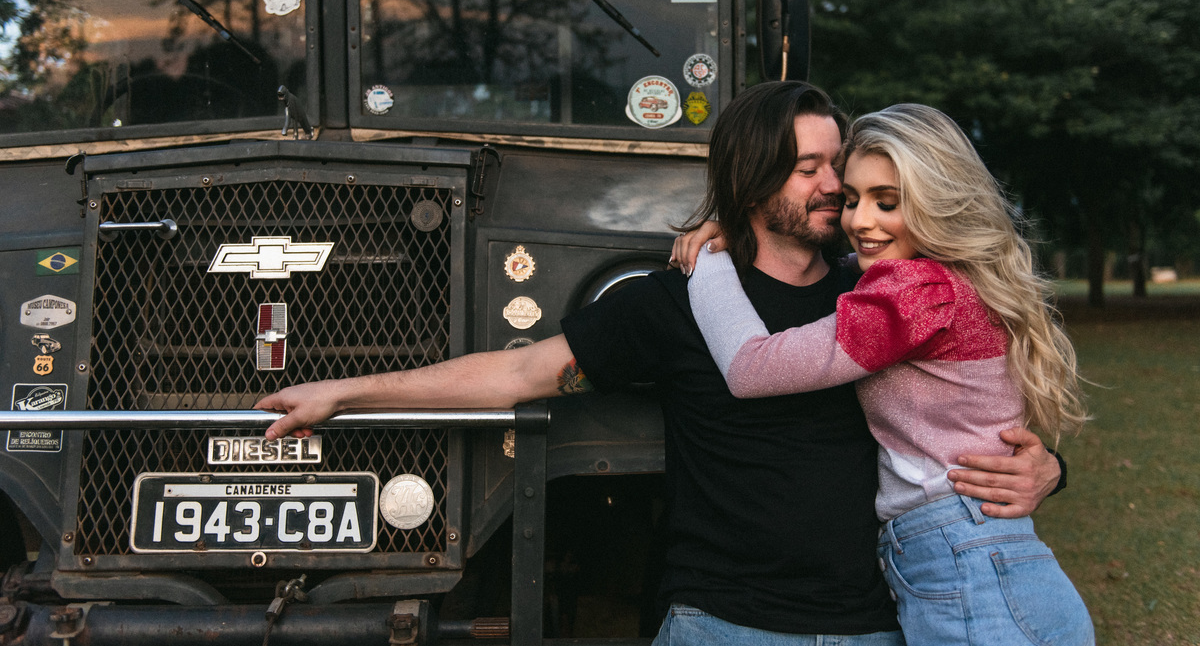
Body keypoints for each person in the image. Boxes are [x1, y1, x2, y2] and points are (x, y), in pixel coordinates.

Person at [256, 82, 1064, 645]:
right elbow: (518, 373)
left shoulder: (875, 288)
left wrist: (1050, 468)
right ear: (751, 179)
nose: (835, 189)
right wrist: (347, 391)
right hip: (726, 622)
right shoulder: (671, 302)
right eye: (810, 169)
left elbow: (978, 396)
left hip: (878, 621)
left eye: (840, 168)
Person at [683, 103, 1092, 645]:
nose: (858, 221)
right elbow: (852, 271)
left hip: (965, 566)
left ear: (936, 201)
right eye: (852, 200)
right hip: (982, 558)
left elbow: (749, 368)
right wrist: (748, 235)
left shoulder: (916, 296)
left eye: (887, 202)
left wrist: (709, 260)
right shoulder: (949, 279)